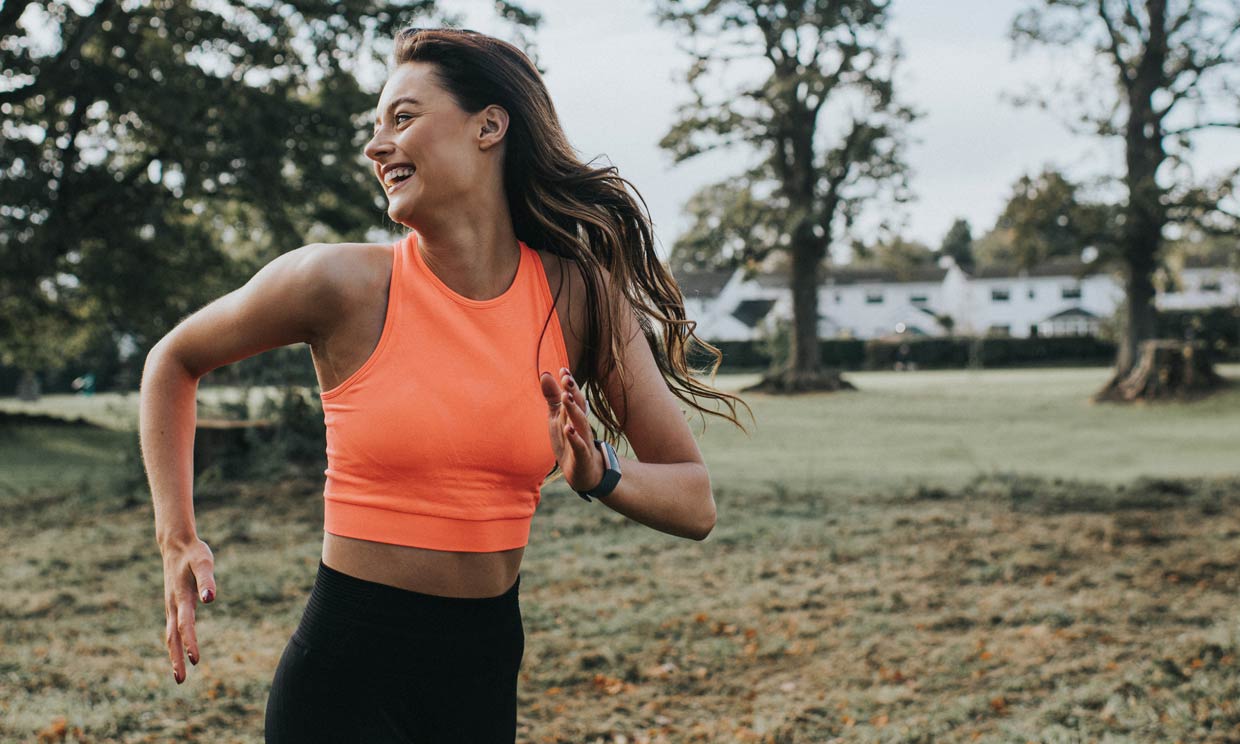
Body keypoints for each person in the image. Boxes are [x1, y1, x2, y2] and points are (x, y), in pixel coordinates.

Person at [139, 26, 752, 743]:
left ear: (490, 125)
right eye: (375, 129)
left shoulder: (581, 296)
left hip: (482, 678)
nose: (375, 148)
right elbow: (173, 361)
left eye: (403, 118)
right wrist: (176, 538)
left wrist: (599, 470)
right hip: (343, 682)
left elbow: (694, 500)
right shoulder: (338, 283)